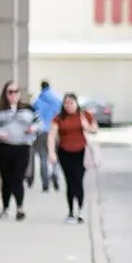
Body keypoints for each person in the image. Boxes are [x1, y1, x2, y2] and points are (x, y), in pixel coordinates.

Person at [0, 82, 38, 220]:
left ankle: (20, 208)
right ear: (5, 93)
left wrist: (33, 129)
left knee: (18, 177)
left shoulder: (28, 108)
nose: (13, 95)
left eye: (16, 91)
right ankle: (6, 208)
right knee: (6, 178)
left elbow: (39, 122)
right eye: (10, 92)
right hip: (3, 147)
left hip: (22, 146)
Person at [52, 92, 94, 223]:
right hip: (64, 152)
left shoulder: (84, 115)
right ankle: (71, 212)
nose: (68, 106)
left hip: (81, 152)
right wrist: (51, 152)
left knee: (78, 181)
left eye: (71, 103)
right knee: (69, 182)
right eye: (66, 103)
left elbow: (95, 129)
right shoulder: (59, 118)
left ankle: (80, 211)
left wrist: (87, 126)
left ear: (77, 103)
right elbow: (52, 135)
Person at [30, 79, 61, 192]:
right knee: (54, 155)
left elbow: (32, 116)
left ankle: (45, 182)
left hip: (41, 131)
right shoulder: (57, 99)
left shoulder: (36, 100)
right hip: (54, 131)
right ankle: (54, 173)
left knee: (43, 157)